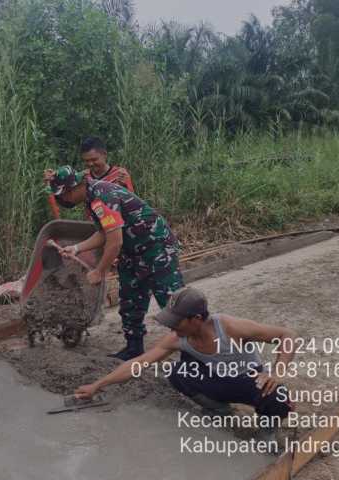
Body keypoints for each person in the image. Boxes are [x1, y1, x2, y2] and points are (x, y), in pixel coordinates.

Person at [74, 287, 295, 418]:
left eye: (176, 322)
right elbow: (138, 363)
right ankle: (219, 409)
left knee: (279, 397)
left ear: (196, 319)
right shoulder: (177, 338)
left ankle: (267, 431)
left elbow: (287, 335)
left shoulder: (230, 327)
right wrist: (97, 385)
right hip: (217, 381)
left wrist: (278, 371)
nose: (172, 328)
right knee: (177, 371)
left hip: (249, 381)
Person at [45, 165, 183, 360]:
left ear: (76, 186)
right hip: (132, 251)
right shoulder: (92, 197)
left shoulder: (101, 196)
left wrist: (100, 271)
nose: (63, 200)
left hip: (155, 248)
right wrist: (77, 248)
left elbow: (115, 240)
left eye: (64, 194)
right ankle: (133, 348)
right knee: (130, 301)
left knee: (173, 303)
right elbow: (104, 233)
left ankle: (194, 352)